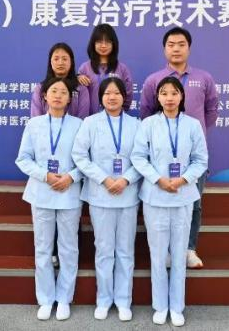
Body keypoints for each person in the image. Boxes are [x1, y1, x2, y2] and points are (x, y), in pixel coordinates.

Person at [131, 76, 208, 327]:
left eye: (174, 93)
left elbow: (201, 160)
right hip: (155, 196)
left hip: (183, 196)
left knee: (178, 253)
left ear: (182, 96)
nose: (169, 98)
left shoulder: (193, 125)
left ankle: (176, 307)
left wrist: (184, 179)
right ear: (158, 97)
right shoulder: (148, 124)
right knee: (157, 254)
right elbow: (138, 157)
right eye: (164, 93)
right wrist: (158, 179)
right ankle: (160, 306)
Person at [139, 27, 218, 269]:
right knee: (161, 204)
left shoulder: (203, 78)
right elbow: (146, 112)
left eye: (181, 44)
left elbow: (211, 111)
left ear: (189, 48)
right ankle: (165, 251)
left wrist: (194, 136)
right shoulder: (154, 80)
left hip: (191, 156)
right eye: (171, 44)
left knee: (195, 203)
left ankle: (189, 249)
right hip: (161, 158)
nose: (176, 49)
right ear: (164, 49)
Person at [71, 77, 140, 322]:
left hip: (127, 195)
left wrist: (126, 179)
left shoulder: (136, 124)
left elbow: (143, 158)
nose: (112, 97)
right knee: (103, 250)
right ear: (101, 97)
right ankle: (103, 300)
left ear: (124, 97)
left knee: (125, 250)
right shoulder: (90, 123)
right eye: (107, 93)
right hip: (100, 195)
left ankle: (123, 301)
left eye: (117, 93)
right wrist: (104, 179)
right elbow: (80, 155)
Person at [16, 77, 83, 321]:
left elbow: (86, 160)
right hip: (41, 193)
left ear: (69, 98)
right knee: (43, 248)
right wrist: (45, 175)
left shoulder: (78, 125)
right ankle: (45, 299)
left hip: (69, 194)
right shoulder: (34, 124)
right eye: (53, 91)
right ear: (44, 96)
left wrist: (71, 177)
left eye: (63, 92)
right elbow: (23, 159)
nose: (58, 95)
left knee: (68, 248)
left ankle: (64, 298)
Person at [77, 24, 134, 115]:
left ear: (113, 44)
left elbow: (128, 95)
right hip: (90, 119)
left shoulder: (122, 69)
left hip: (115, 117)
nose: (103, 46)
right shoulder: (85, 68)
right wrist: (78, 78)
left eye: (107, 42)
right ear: (93, 44)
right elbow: (78, 95)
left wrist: (117, 113)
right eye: (99, 42)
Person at [31, 42, 90, 119]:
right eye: (56, 59)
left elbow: (82, 119)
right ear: (50, 62)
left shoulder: (81, 89)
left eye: (65, 59)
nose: (60, 63)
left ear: (71, 62)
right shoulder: (40, 89)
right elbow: (35, 120)